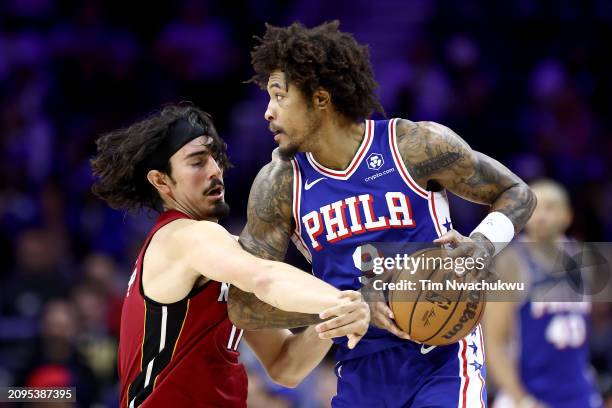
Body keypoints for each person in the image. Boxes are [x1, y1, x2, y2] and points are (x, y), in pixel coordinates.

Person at [227, 21, 536, 407]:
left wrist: (483, 244)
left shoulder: (413, 146)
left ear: (320, 98)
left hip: (441, 355)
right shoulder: (280, 183)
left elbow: (517, 193)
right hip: (359, 363)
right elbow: (244, 303)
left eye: (279, 96)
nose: (268, 113)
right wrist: (340, 305)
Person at [90, 103, 370, 407]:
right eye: (197, 162)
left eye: (216, 159)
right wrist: (337, 301)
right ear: (161, 181)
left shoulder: (222, 259)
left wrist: (341, 311)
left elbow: (285, 366)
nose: (215, 170)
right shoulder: (183, 237)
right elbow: (265, 278)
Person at [484, 179, 603, 408]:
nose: (541, 215)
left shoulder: (584, 258)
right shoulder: (509, 263)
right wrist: (521, 400)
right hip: (527, 394)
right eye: (534, 208)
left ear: (567, 216)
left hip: (579, 393)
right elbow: (493, 342)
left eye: (550, 207)